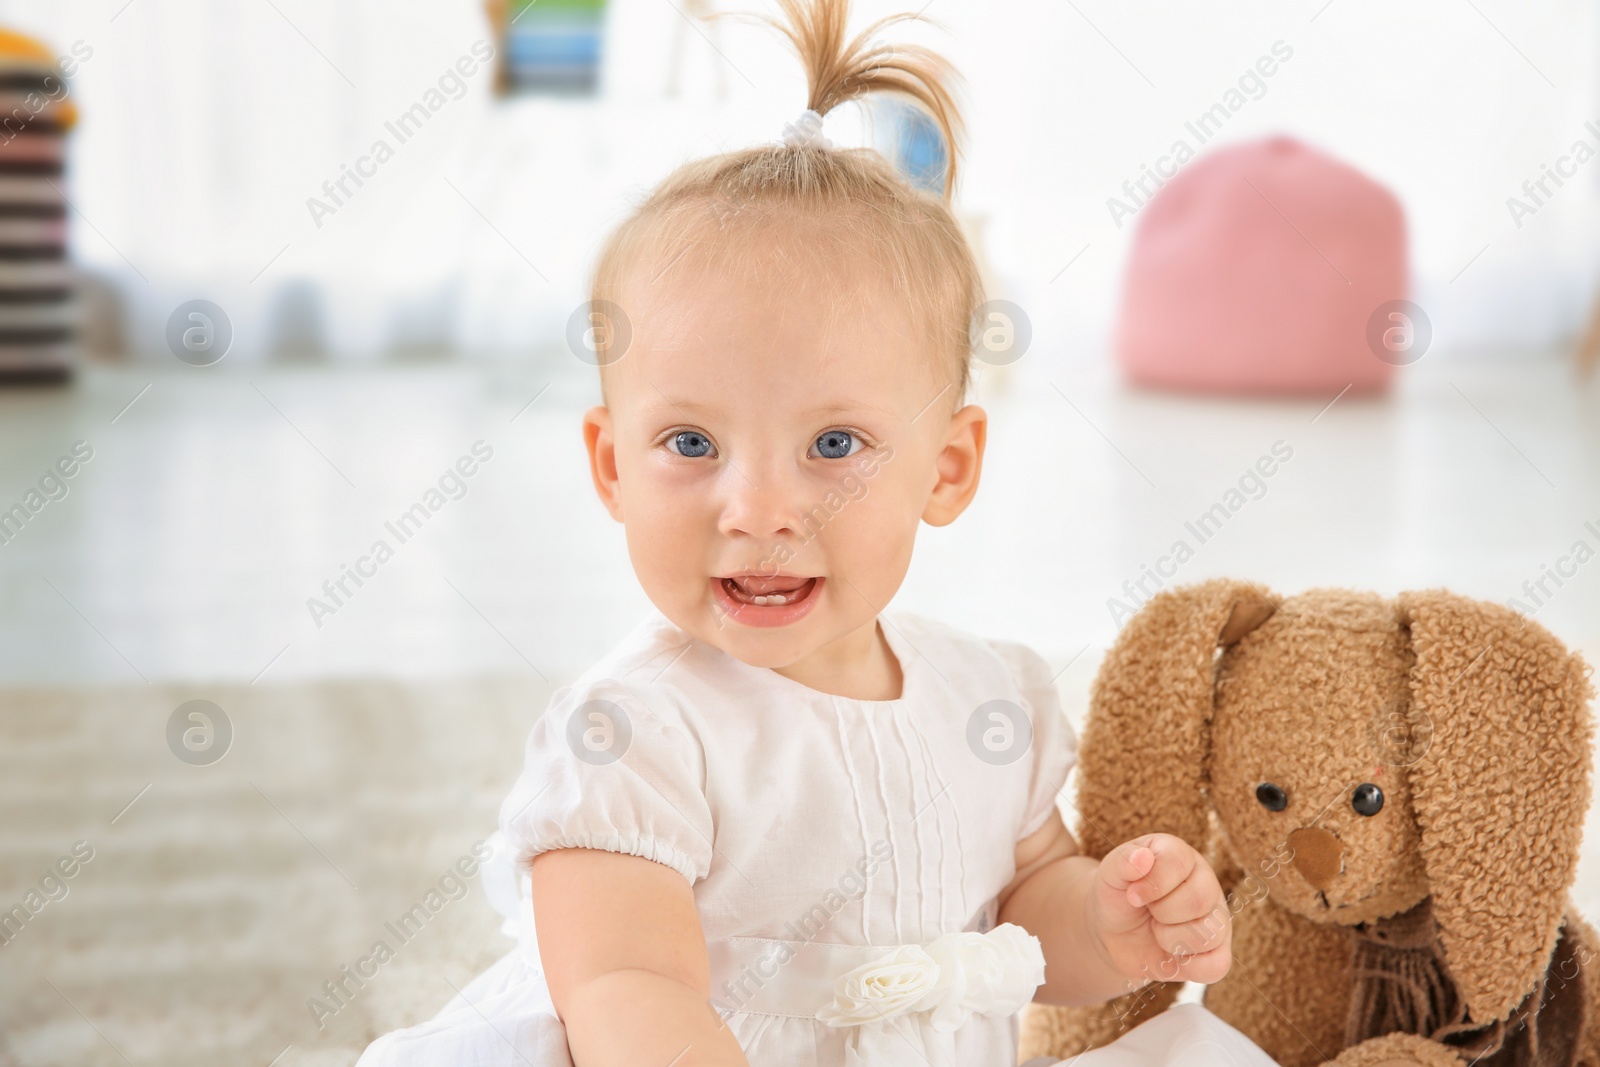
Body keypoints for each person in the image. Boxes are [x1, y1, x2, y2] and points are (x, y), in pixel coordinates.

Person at [359, 0, 1282, 1063]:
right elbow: (627, 988)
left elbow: (1027, 919)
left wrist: (1108, 925)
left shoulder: (989, 698)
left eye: (834, 445)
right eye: (692, 443)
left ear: (946, 468)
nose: (757, 510)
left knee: (1201, 1052)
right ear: (611, 464)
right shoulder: (633, 735)